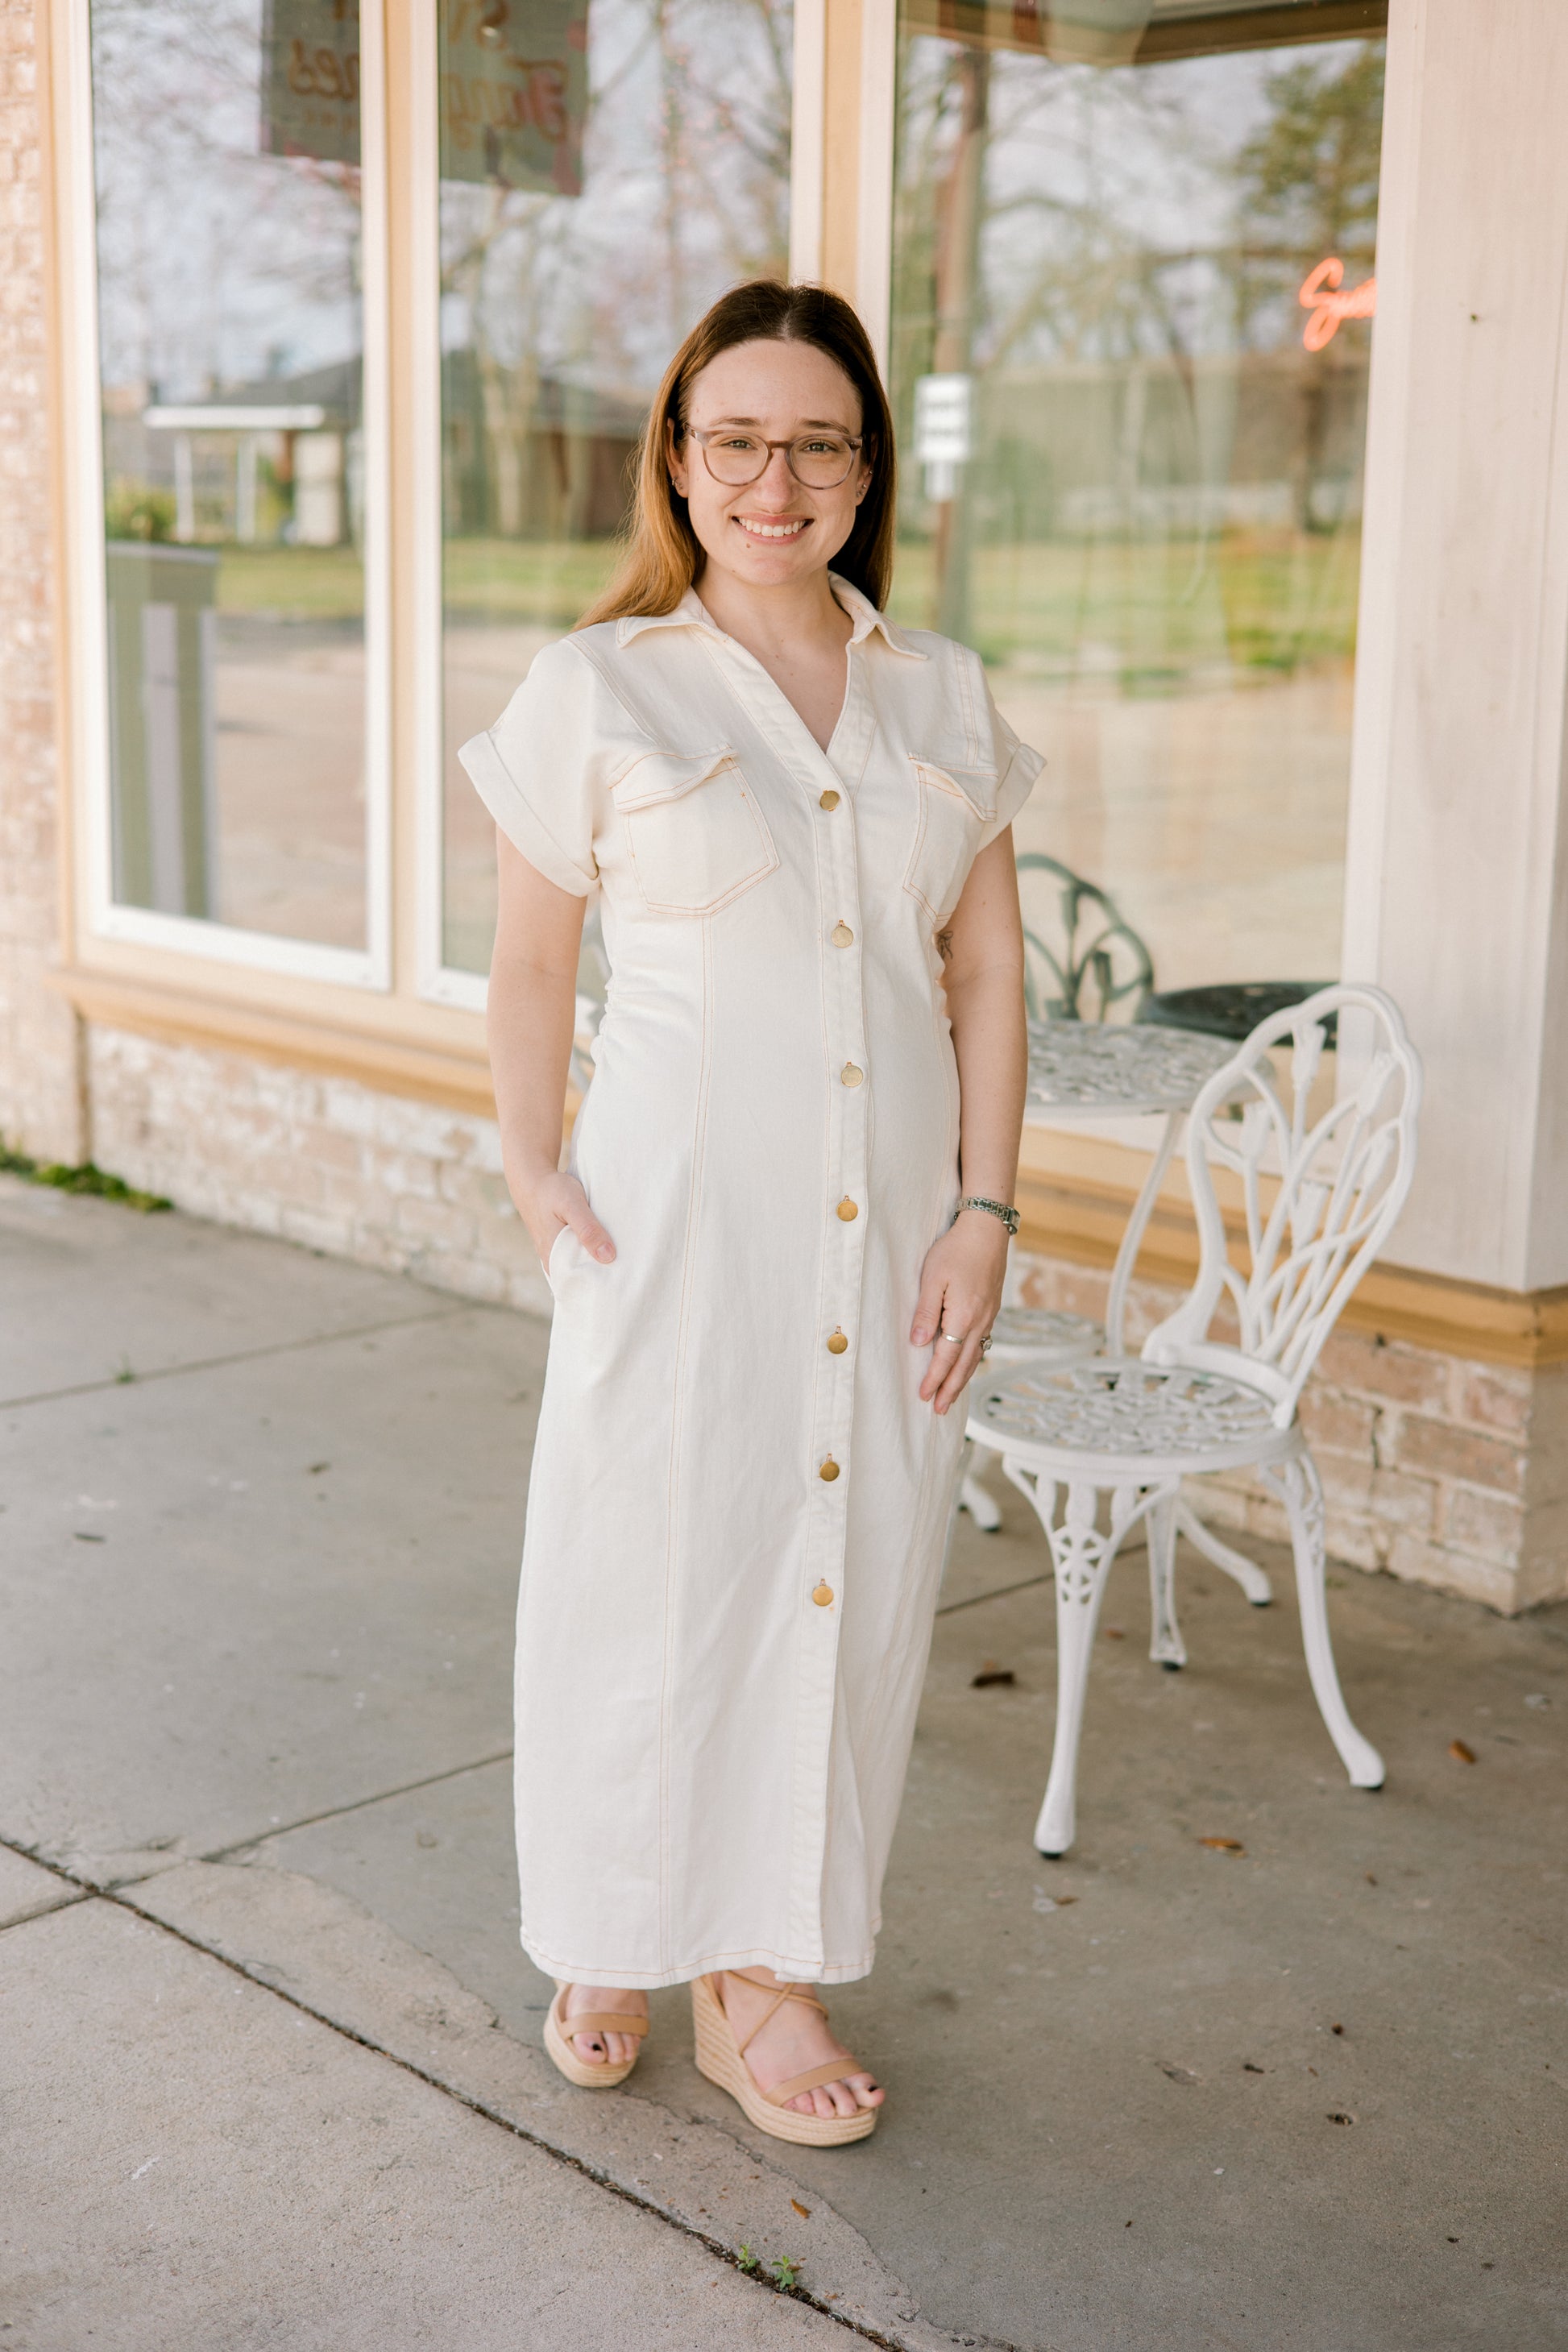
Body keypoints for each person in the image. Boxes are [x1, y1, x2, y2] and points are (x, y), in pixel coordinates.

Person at [461, 279, 1034, 2147]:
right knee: (643, 1581)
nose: (774, 483)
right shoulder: (600, 685)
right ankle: (609, 1927)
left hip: (890, 1235)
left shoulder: (938, 690)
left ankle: (759, 1978)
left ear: (866, 469)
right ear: (678, 458)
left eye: (816, 444)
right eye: (737, 441)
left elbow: (985, 974)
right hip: (672, 1223)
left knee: (837, 1588)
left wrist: (985, 1209)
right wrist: (536, 1167)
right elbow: (532, 962)